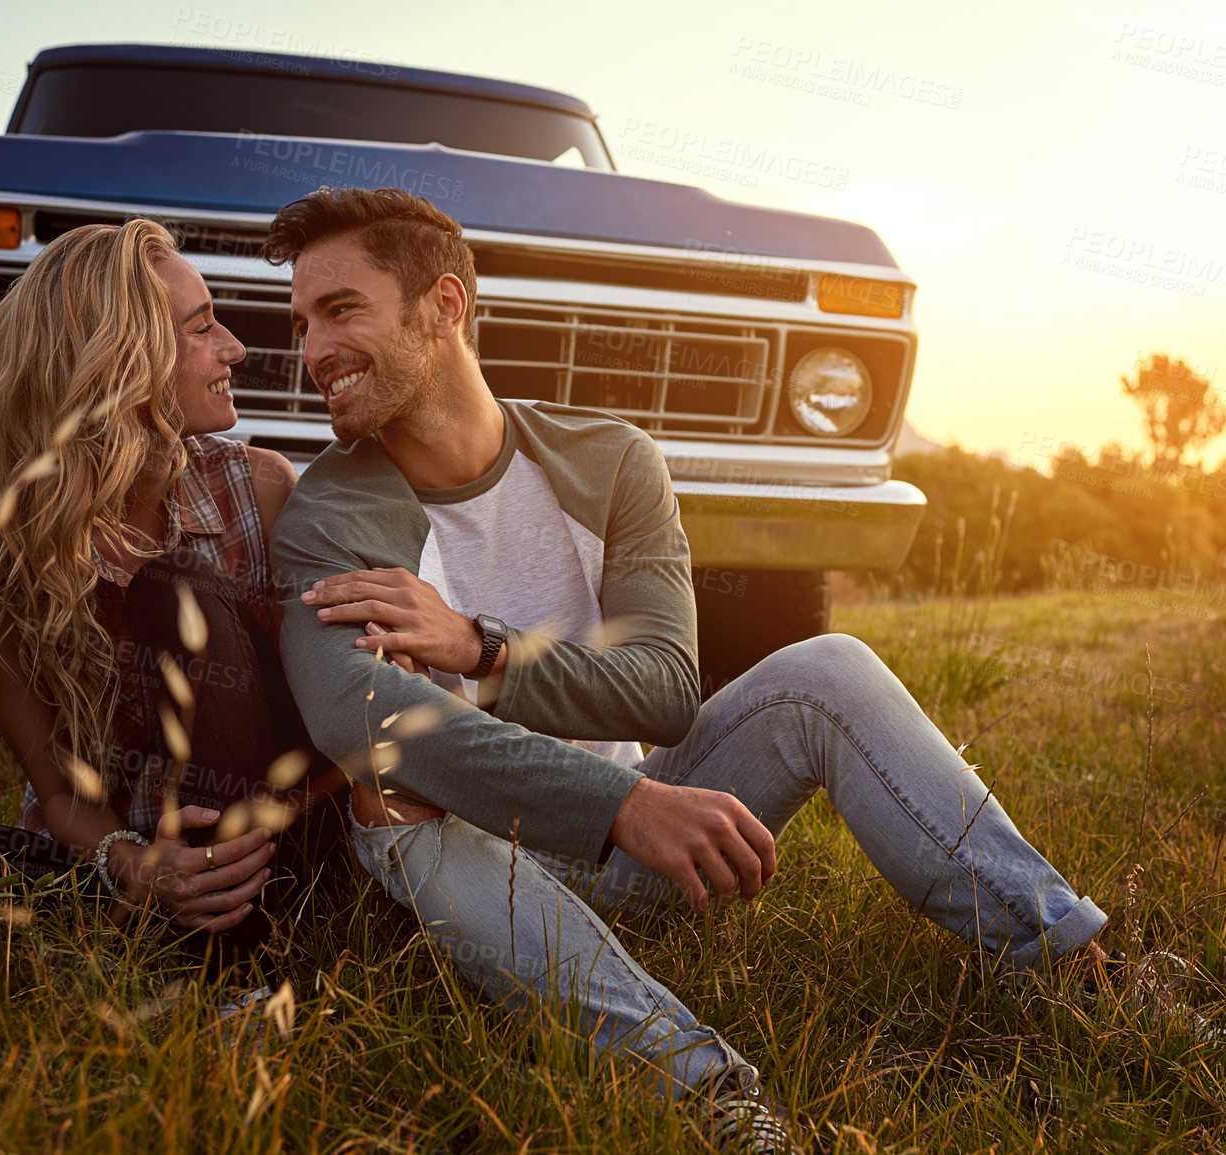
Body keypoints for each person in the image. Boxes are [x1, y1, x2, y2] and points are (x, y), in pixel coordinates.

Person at [263, 187, 1124, 1147]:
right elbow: (363, 719)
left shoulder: (610, 459)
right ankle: (709, 1094)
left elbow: (667, 686)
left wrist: (484, 647)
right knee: (392, 795)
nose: (313, 352)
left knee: (828, 668)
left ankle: (1077, 966)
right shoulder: (328, 514)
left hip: (643, 839)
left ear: (444, 307)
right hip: (477, 863)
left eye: (341, 310)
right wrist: (617, 804)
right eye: (301, 322)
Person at [0, 219, 347, 969]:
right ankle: (157, 926)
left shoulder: (262, 488)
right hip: (124, 865)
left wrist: (250, 843)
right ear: (124, 364)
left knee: (176, 586)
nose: (234, 349)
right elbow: (56, 795)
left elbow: (331, 720)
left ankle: (225, 960)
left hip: (271, 841)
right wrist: (135, 864)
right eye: (201, 327)